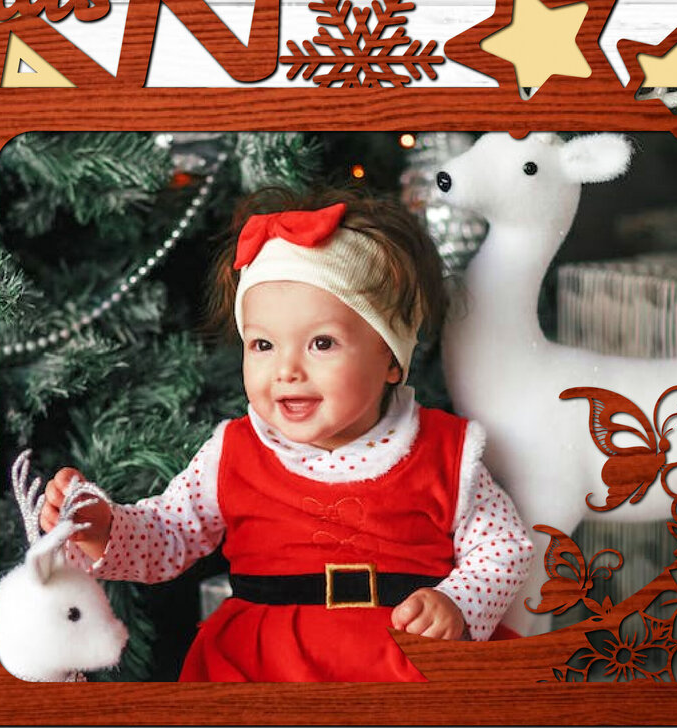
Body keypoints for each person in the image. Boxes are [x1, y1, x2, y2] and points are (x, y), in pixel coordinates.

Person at [40, 188, 534, 682]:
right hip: (261, 668)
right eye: (263, 345)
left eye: (322, 343)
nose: (286, 370)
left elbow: (503, 547)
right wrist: (105, 528)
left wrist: (457, 603)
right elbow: (169, 533)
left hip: (402, 669)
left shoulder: (442, 451)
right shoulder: (232, 452)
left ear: (390, 357)